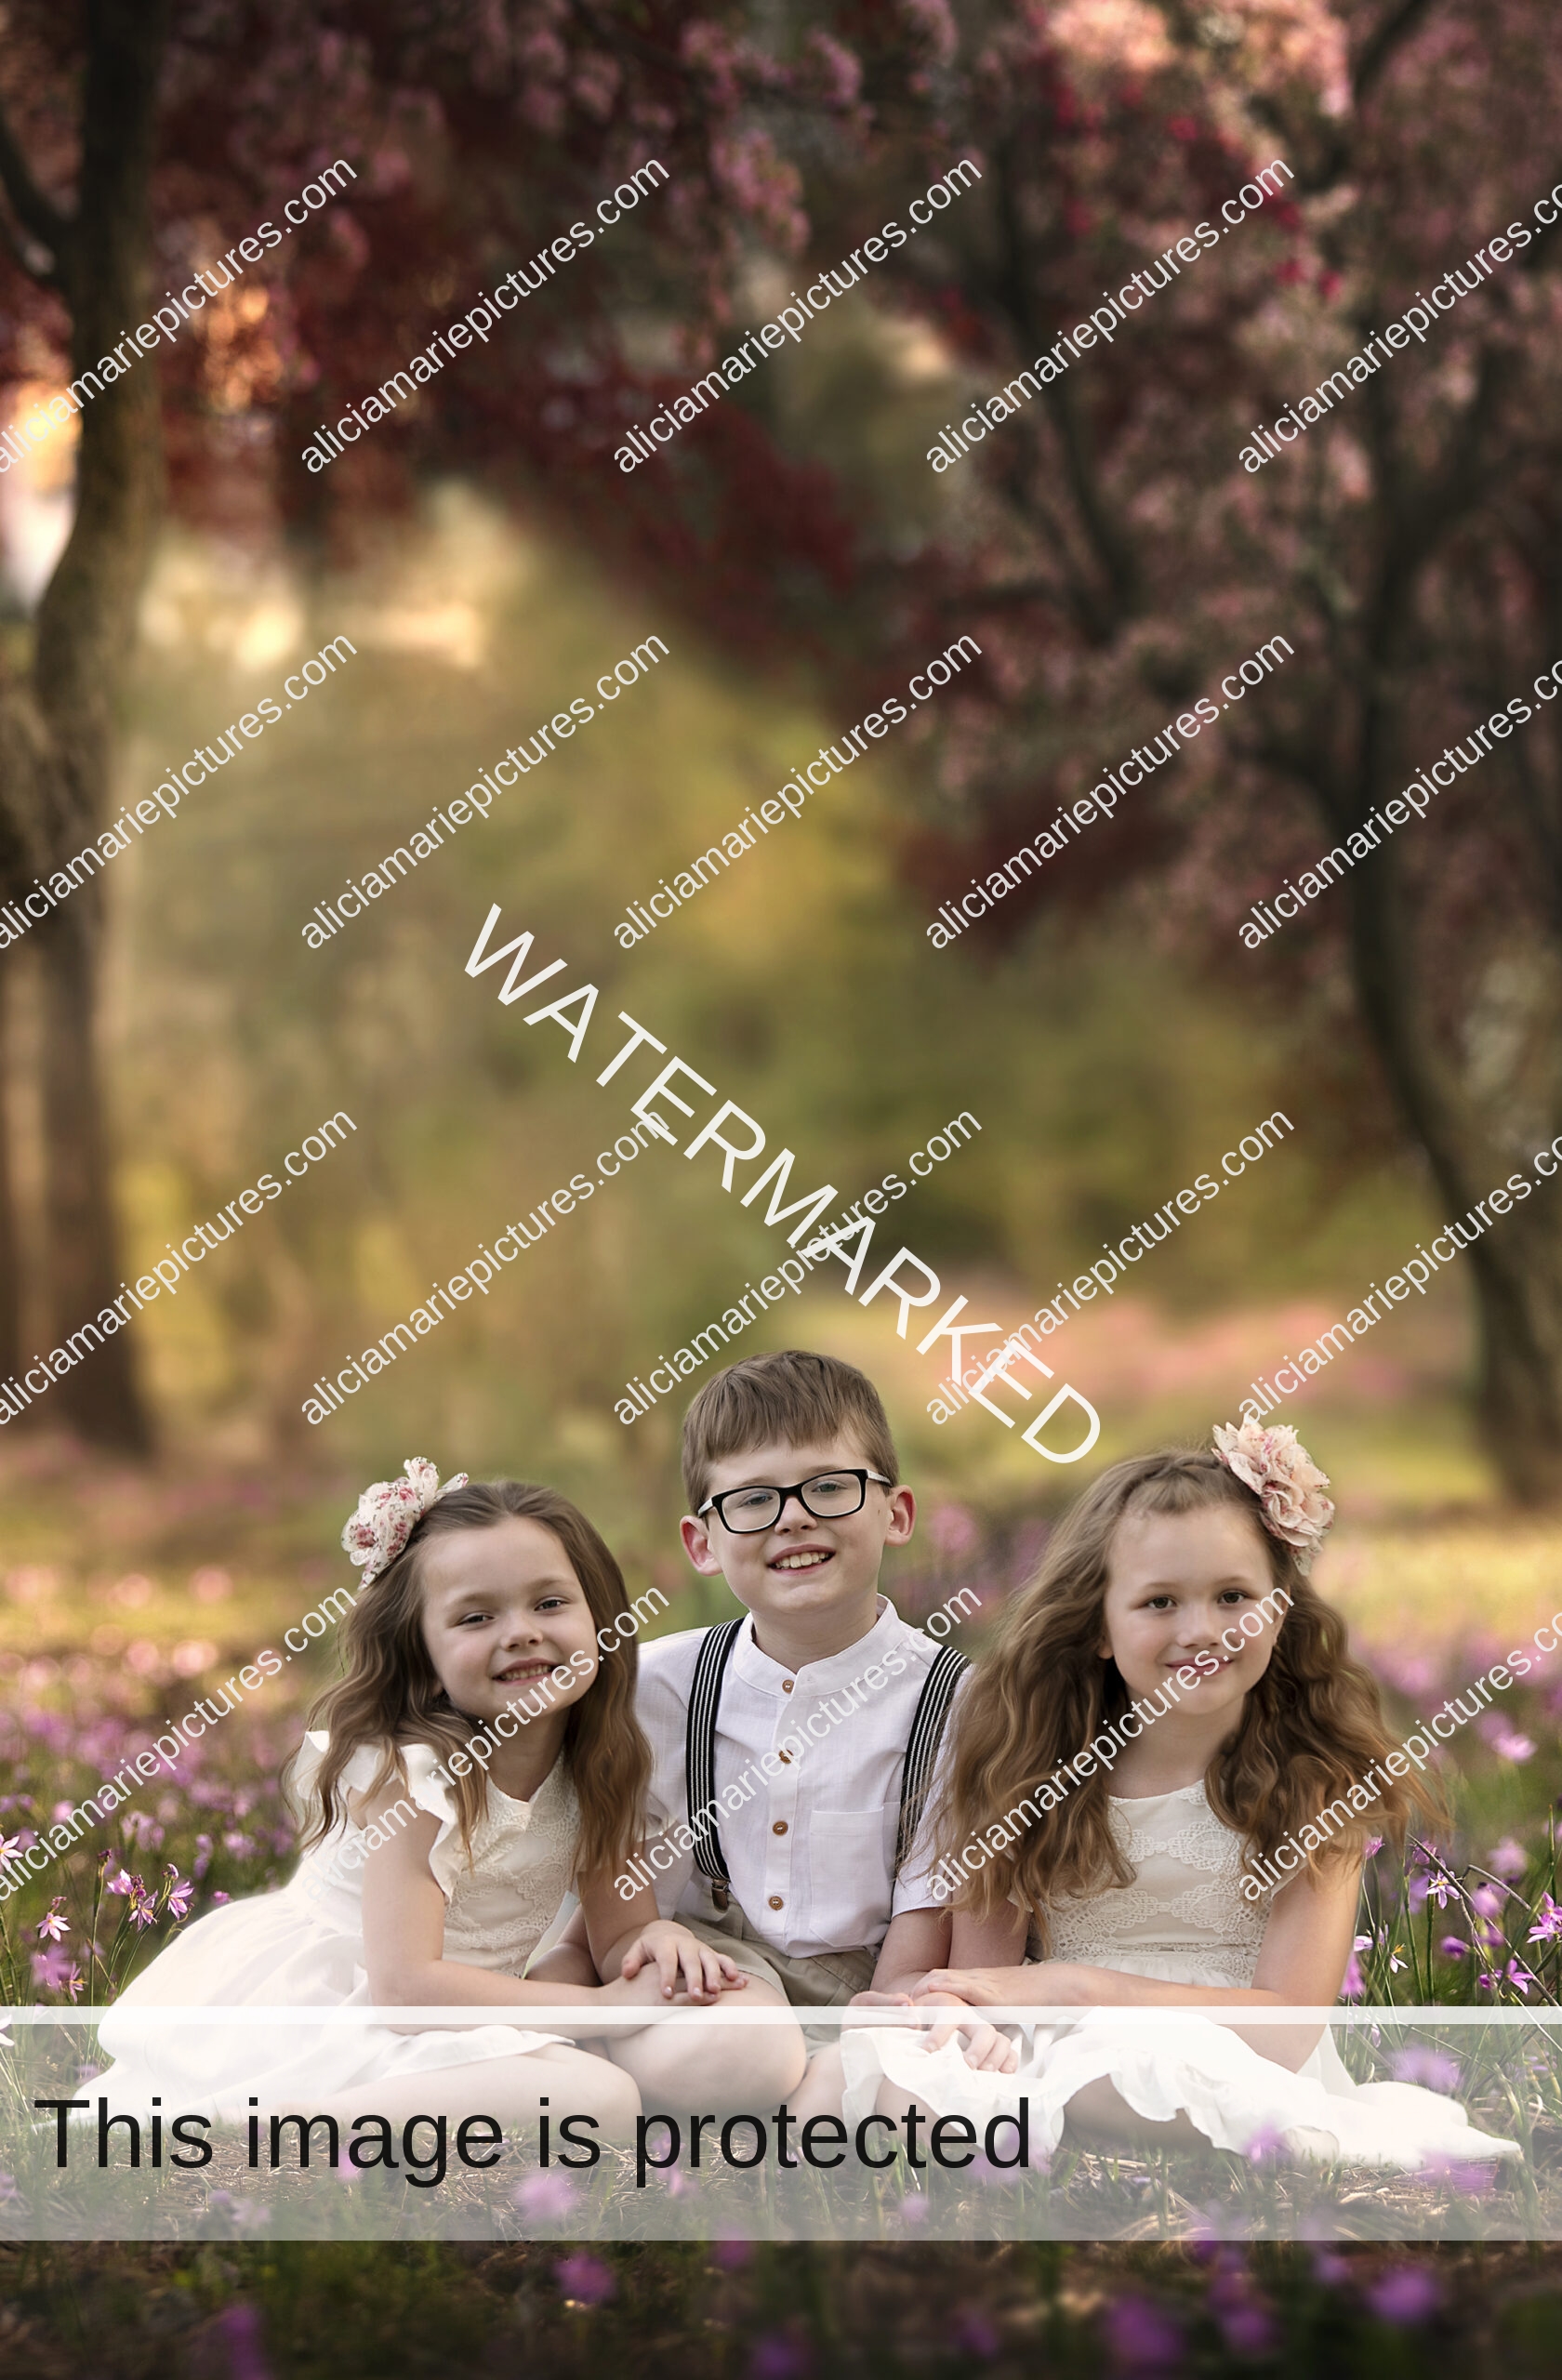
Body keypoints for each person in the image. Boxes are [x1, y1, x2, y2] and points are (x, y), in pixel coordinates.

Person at [837, 1422, 1521, 2170]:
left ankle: (1080, 2128)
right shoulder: (1028, 1767)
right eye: (1159, 1602)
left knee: (1128, 2081)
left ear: (1280, 1607)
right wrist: (957, 2016)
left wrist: (1074, 1989)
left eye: (1234, 1596)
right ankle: (1044, 2126)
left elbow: (1288, 2028)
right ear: (1098, 1625)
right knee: (908, 2085)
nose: (1201, 1631)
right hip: (1056, 2045)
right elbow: (983, 1981)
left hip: (1239, 2059)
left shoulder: (1315, 1781)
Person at [95, 1461, 802, 2141]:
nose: (521, 1630)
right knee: (600, 2100)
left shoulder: (601, 1764)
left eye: (550, 1603)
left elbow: (614, 1933)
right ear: (420, 1656)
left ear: (601, 1618)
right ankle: (268, 2128)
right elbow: (404, 1988)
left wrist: (657, 1939)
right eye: (474, 1618)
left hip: (450, 2005)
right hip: (342, 2003)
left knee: (597, 2093)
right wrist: (598, 2009)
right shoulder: (416, 1775)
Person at [561, 1349, 1015, 2117]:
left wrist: (890, 2018)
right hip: (710, 1982)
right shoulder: (651, 1687)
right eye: (751, 1500)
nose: (794, 1517)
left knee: (909, 2092)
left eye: (831, 1487)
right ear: (701, 1541)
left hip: (877, 1985)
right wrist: (638, 1955)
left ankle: (811, 2100)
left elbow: (932, 1913)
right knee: (732, 2054)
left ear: (896, 1513)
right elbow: (613, 1883)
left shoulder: (962, 1705)